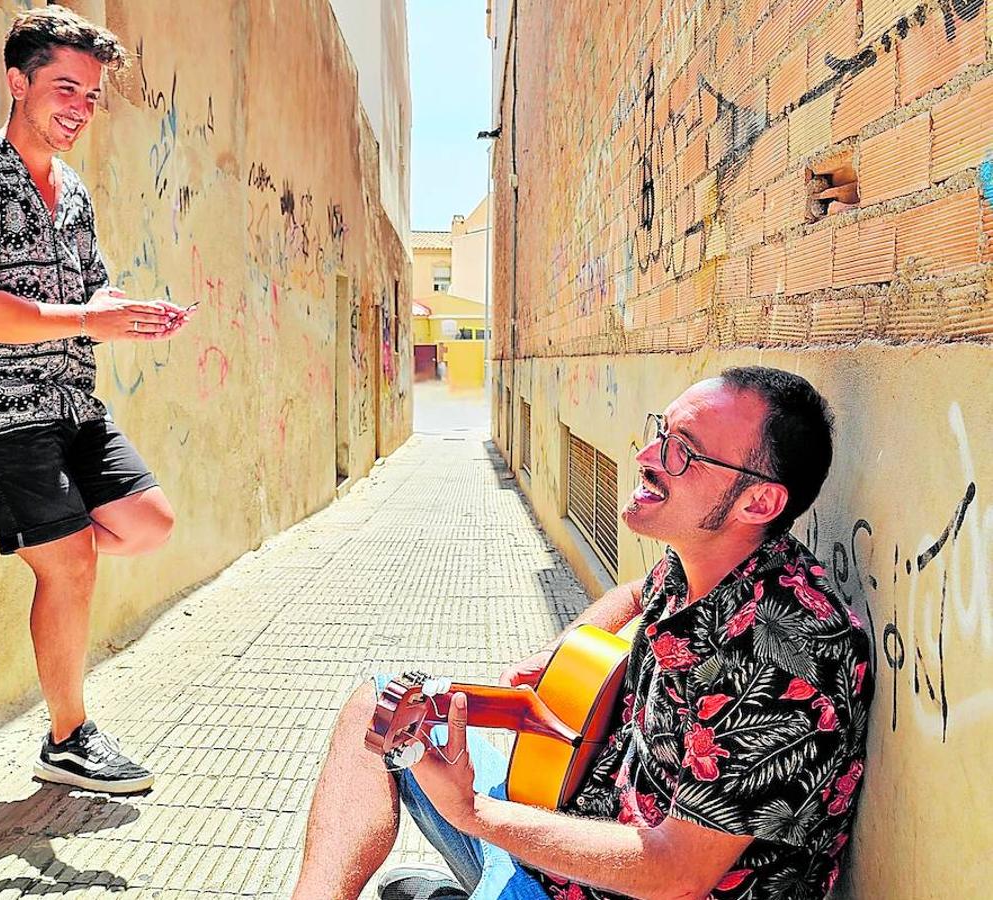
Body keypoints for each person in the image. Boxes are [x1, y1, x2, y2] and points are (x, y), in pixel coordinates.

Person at [292, 367, 874, 899]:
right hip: (566, 817)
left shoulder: (795, 655)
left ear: (758, 501)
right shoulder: (706, 556)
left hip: (618, 883)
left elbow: (676, 874)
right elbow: (634, 594)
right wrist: (561, 656)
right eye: (660, 431)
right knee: (382, 703)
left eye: (682, 453)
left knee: (427, 855)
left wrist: (470, 813)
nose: (646, 456)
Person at [0, 7, 192, 794]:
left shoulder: (72, 191)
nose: (79, 106)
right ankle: (67, 740)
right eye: (64, 87)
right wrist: (87, 319)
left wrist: (126, 314)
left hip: (67, 396)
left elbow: (84, 290)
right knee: (66, 562)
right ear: (17, 82)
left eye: (91, 95)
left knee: (145, 525)